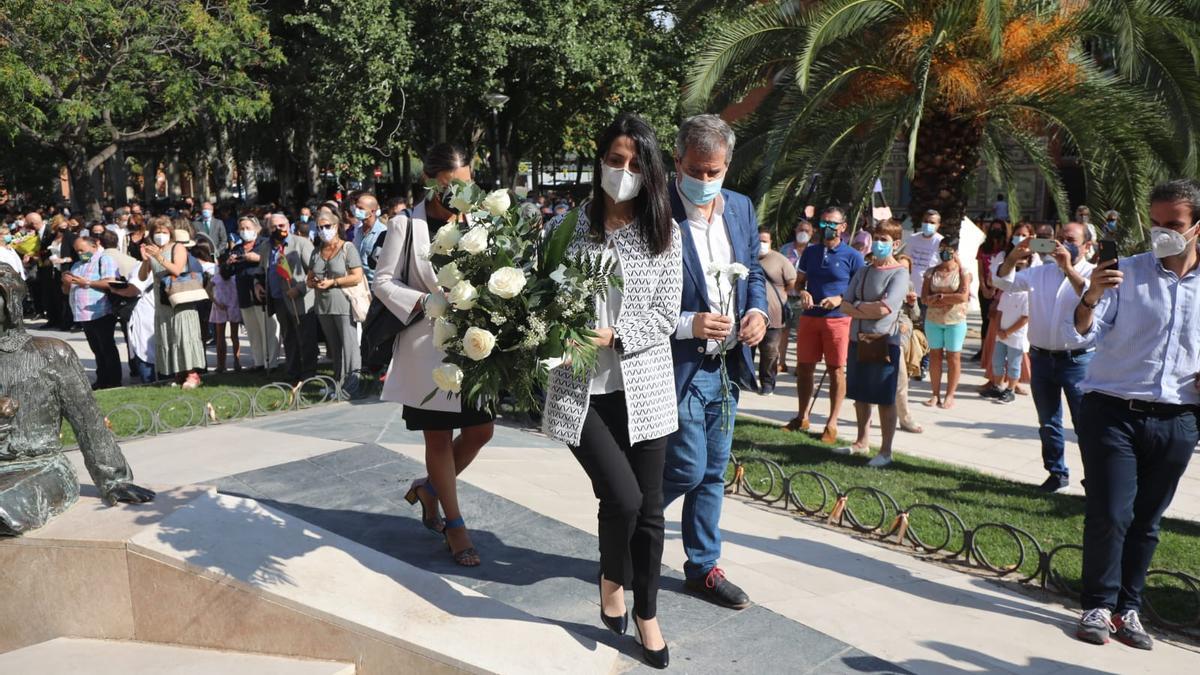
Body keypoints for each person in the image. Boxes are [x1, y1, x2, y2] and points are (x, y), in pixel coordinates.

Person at [542, 113, 680, 668]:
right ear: (600, 160)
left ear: (649, 172)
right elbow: (544, 293)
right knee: (620, 497)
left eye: (633, 164)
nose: (621, 172)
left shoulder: (662, 231)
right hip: (581, 386)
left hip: (643, 386)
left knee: (646, 510)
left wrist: (618, 335)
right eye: (614, 161)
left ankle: (646, 611)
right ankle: (610, 576)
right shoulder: (569, 226)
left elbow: (667, 313)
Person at [1070, 179, 1200, 650]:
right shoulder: (1125, 272)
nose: (1163, 233)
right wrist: (1089, 297)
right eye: (1157, 223)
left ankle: (1130, 609)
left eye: (1175, 225)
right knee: (1111, 511)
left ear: (1197, 228)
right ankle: (1098, 605)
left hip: (1178, 418)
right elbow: (1084, 331)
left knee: (1148, 520)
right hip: (1112, 410)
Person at [375, 143, 494, 568]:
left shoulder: (481, 221)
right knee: (438, 436)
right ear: (429, 181)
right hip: (427, 351)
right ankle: (455, 525)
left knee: (481, 431)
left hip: (476, 347)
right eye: (448, 186)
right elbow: (382, 282)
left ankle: (429, 490)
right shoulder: (405, 225)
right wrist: (425, 302)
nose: (458, 194)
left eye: (465, 185)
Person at [666, 113, 768, 611]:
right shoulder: (654, 211)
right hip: (678, 364)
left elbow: (752, 273)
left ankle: (703, 568)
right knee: (686, 468)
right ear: (677, 161)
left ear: (729, 166)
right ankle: (626, 523)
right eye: (697, 170)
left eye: (715, 171)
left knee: (712, 473)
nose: (705, 181)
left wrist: (757, 311)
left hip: (726, 369)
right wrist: (690, 322)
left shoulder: (742, 208)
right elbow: (637, 299)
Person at [993, 221, 1093, 492]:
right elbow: (1003, 282)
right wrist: (1014, 255)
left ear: (1087, 246)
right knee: (1048, 422)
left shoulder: (1093, 273)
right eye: (1059, 237)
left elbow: (1091, 298)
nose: (1062, 243)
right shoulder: (1040, 273)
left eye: (1070, 239)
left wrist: (1068, 268)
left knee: (1086, 425)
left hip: (1078, 362)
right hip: (1042, 358)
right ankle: (1056, 472)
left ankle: (1094, 479)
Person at [786, 206, 866, 442]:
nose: (828, 228)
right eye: (824, 223)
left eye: (832, 224)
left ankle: (832, 423)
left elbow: (860, 290)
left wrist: (840, 299)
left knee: (836, 371)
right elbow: (799, 283)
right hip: (810, 317)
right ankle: (802, 416)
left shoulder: (853, 256)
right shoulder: (810, 252)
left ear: (843, 227)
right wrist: (803, 293)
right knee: (804, 368)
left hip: (838, 320)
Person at [836, 220, 910, 466]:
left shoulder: (899, 273)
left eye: (884, 240)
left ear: (895, 244)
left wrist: (857, 307)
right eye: (876, 238)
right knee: (860, 395)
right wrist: (860, 308)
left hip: (883, 342)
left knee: (883, 396)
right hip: (858, 340)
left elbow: (884, 308)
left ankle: (886, 451)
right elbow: (845, 303)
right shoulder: (864, 270)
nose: (878, 244)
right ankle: (861, 441)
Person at [138, 217, 206, 389]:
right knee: (169, 335)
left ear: (171, 233)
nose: (161, 235)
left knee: (184, 334)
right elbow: (142, 277)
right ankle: (179, 373)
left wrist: (159, 257)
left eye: (164, 232)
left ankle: (193, 374)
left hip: (179, 297)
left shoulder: (178, 247)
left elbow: (177, 269)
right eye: (157, 232)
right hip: (161, 299)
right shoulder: (152, 250)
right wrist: (146, 259)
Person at [307, 211, 362, 398]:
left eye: (327, 226)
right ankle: (337, 383)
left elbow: (357, 276)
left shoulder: (348, 248)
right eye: (320, 227)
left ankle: (351, 386)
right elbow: (308, 278)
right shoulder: (317, 251)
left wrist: (333, 282)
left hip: (343, 303)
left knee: (349, 346)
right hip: (322, 305)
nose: (323, 230)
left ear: (336, 226)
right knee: (334, 348)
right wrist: (313, 282)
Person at [981, 221, 1037, 398]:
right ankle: (996, 383)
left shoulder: (1035, 259)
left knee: (1015, 357)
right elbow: (993, 278)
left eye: (1025, 235)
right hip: (1003, 304)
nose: (1020, 238)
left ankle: (1013, 386)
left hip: (1024, 306)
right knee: (997, 354)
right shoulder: (1004, 255)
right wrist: (1012, 260)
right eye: (1017, 234)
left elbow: (1035, 284)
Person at [62, 235, 122, 389]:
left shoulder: (104, 259)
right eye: (77, 251)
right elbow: (66, 291)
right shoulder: (77, 265)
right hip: (83, 313)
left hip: (100, 310)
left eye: (82, 250)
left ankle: (114, 380)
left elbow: (110, 283)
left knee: (106, 347)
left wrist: (87, 282)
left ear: (94, 246)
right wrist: (67, 283)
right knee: (96, 349)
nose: (80, 253)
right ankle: (102, 379)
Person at [264, 213, 317, 383]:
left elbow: (316, 272)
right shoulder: (267, 246)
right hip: (278, 299)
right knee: (289, 337)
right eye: (273, 227)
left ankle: (309, 373)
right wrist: (260, 286)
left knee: (305, 337)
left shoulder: (301, 243)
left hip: (300, 300)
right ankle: (293, 372)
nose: (278, 229)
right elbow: (264, 270)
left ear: (288, 225)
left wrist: (300, 289)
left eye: (281, 226)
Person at [921, 236, 972, 409]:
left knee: (953, 357)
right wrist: (945, 299)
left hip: (955, 321)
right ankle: (934, 394)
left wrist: (941, 298)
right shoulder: (931, 272)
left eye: (948, 250)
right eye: (941, 249)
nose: (943, 253)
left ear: (955, 252)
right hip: (933, 320)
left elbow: (963, 296)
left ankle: (950, 395)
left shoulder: (963, 272)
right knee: (935, 356)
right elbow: (924, 297)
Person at [228, 216, 279, 370]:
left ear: (257, 229)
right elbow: (227, 273)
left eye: (248, 228)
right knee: (252, 330)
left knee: (268, 330)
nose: (244, 231)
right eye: (242, 228)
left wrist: (257, 258)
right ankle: (258, 362)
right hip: (244, 293)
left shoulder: (265, 244)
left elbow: (273, 261)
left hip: (262, 291)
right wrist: (229, 263)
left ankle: (271, 363)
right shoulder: (237, 248)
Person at [755, 228, 796, 395]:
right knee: (746, 351)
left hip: (774, 316)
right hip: (749, 316)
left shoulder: (780, 260)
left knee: (770, 352)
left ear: (771, 242)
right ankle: (745, 381)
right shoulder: (747, 256)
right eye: (759, 240)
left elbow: (792, 281)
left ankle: (767, 384)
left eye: (765, 240)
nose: (761, 244)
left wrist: (780, 295)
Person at [777, 218, 813, 372]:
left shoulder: (814, 252)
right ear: (795, 231)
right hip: (785, 296)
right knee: (783, 331)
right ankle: (781, 362)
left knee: (802, 334)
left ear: (812, 234)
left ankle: (801, 364)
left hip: (803, 299)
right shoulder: (785, 250)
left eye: (807, 231)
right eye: (800, 230)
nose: (803, 233)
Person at [894, 255, 923, 433]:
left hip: (903, 338)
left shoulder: (909, 286)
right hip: (888, 334)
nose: (902, 271)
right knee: (898, 378)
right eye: (899, 267)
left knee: (901, 379)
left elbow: (916, 315)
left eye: (906, 269)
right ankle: (904, 418)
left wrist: (913, 305)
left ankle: (904, 418)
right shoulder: (884, 282)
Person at [975, 219, 1009, 361]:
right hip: (985, 288)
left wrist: (995, 288)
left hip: (1001, 288)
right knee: (985, 319)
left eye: (999, 229)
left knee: (998, 319)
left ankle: (996, 351)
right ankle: (983, 350)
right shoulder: (983, 247)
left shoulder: (1007, 248)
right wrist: (983, 286)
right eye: (993, 229)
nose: (996, 232)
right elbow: (980, 269)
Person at [352, 193, 388, 284]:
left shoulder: (383, 232)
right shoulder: (359, 231)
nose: (356, 211)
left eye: (361, 208)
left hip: (375, 284)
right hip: (360, 283)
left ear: (372, 211)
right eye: (356, 207)